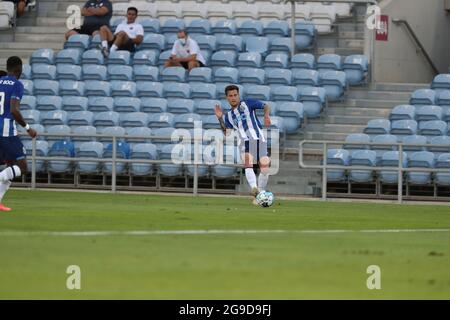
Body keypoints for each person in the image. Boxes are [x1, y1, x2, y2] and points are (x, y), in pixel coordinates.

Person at [214, 85, 272, 203]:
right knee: (248, 163)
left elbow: (265, 106)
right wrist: (220, 118)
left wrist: (266, 116)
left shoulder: (247, 103)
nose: (233, 97)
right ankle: (255, 190)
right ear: (227, 98)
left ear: (238, 95)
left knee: (265, 169)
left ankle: (259, 193)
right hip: (245, 141)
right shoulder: (228, 116)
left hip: (259, 139)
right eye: (231, 96)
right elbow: (227, 133)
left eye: (235, 95)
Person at [0, 56, 37, 212]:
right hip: (6, 132)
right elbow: (14, 110)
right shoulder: (17, 84)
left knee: (9, 167)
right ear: (19, 70)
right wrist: (28, 128)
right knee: (22, 167)